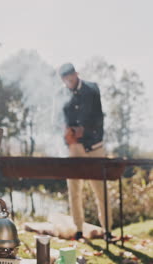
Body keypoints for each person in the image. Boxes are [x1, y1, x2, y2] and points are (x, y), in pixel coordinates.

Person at [59, 63, 113, 241]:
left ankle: (107, 230)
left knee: (100, 190)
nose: (69, 81)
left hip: (94, 146)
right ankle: (79, 229)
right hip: (74, 148)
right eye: (65, 79)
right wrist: (66, 135)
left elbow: (98, 118)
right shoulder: (63, 97)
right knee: (74, 189)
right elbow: (62, 121)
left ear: (76, 74)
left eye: (71, 77)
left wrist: (85, 130)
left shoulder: (92, 89)